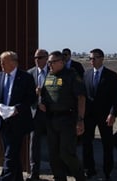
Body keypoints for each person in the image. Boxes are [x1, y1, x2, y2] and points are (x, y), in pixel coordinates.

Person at [0, 51, 37, 181]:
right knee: (11, 154)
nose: (1, 64)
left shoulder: (26, 77)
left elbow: (31, 97)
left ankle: (4, 179)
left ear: (14, 62)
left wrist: (17, 109)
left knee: (10, 154)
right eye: (1, 61)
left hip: (18, 122)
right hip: (2, 121)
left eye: (4, 61)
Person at [38, 50, 86, 181]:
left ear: (61, 62)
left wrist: (80, 120)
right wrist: (42, 102)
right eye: (48, 62)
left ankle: (80, 177)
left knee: (66, 153)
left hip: (67, 119)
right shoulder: (49, 76)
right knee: (53, 155)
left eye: (52, 62)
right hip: (51, 119)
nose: (50, 65)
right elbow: (45, 96)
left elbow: (81, 98)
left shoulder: (71, 75)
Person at [81, 49, 117, 180]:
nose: (92, 61)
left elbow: (116, 97)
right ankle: (89, 169)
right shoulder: (86, 74)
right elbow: (83, 96)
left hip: (105, 116)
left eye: (94, 58)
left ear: (102, 58)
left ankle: (107, 171)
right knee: (87, 143)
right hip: (89, 116)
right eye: (90, 58)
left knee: (107, 145)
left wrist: (112, 114)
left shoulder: (111, 75)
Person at [27, 48, 51, 180]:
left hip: (50, 114)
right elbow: (25, 95)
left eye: (39, 57)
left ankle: (59, 172)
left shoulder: (54, 73)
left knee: (54, 143)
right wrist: (36, 101)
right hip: (35, 114)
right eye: (35, 58)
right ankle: (34, 173)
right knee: (34, 144)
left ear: (46, 58)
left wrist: (47, 105)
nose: (37, 60)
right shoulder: (30, 73)